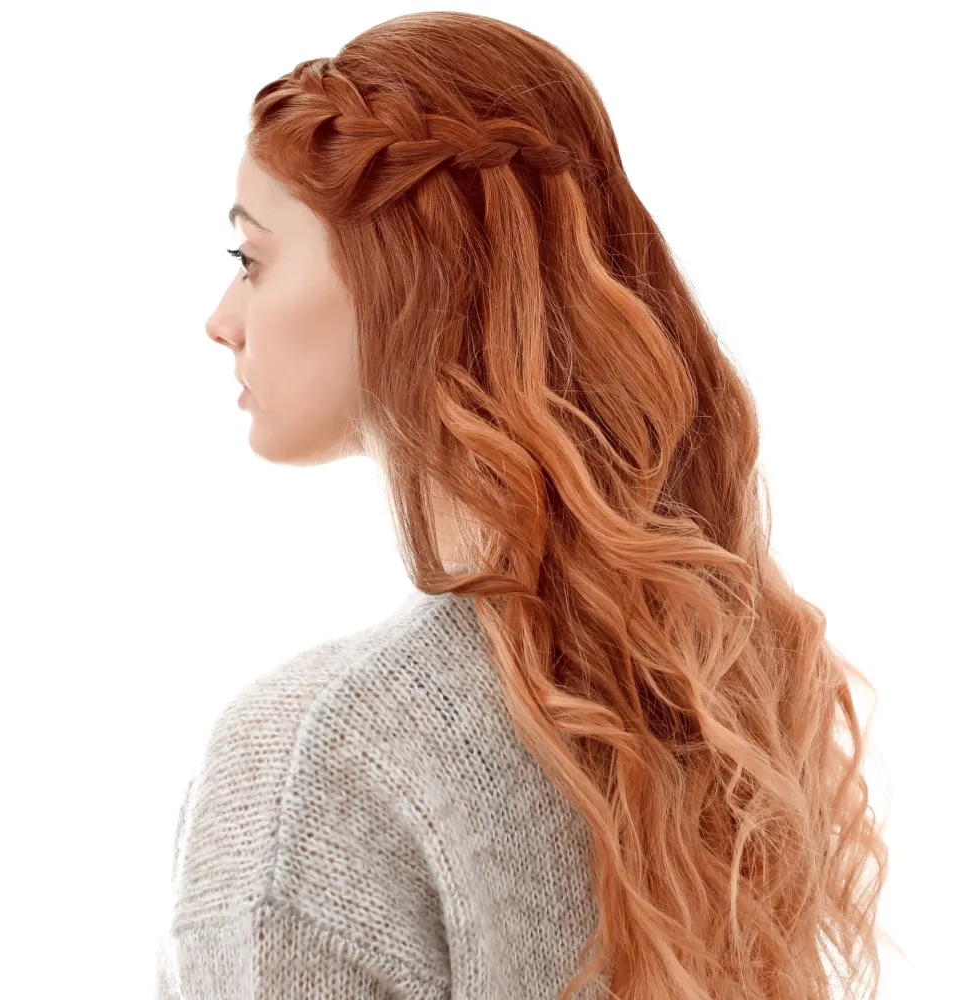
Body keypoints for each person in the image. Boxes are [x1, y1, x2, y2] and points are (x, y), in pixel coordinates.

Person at [156, 11, 891, 1000]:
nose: (221, 319)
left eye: (252, 258)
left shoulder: (315, 763)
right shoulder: (694, 706)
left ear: (395, 274)